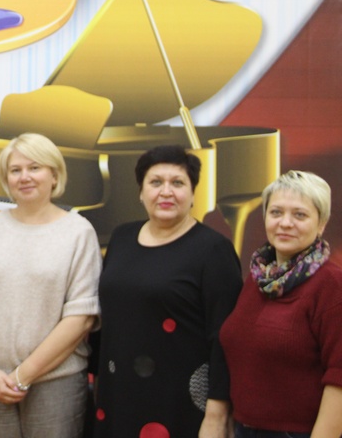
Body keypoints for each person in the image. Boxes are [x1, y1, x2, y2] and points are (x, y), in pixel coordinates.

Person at [0, 132, 102, 438]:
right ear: (6, 179)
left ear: (54, 175)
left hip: (55, 383)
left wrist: (23, 375)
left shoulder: (78, 232)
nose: (25, 177)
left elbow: (81, 317)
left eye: (35, 168)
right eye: (15, 170)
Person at [92, 144, 243, 437]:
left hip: (180, 403)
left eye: (177, 183)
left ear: (193, 193)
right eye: (155, 182)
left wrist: (217, 415)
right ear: (141, 192)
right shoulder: (122, 237)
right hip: (118, 396)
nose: (166, 192)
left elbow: (225, 338)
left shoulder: (214, 250)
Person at [220, 170, 342, 438]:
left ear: (321, 224)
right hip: (243, 429)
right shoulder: (258, 279)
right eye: (276, 212)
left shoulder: (332, 285)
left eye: (300, 215)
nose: (285, 223)